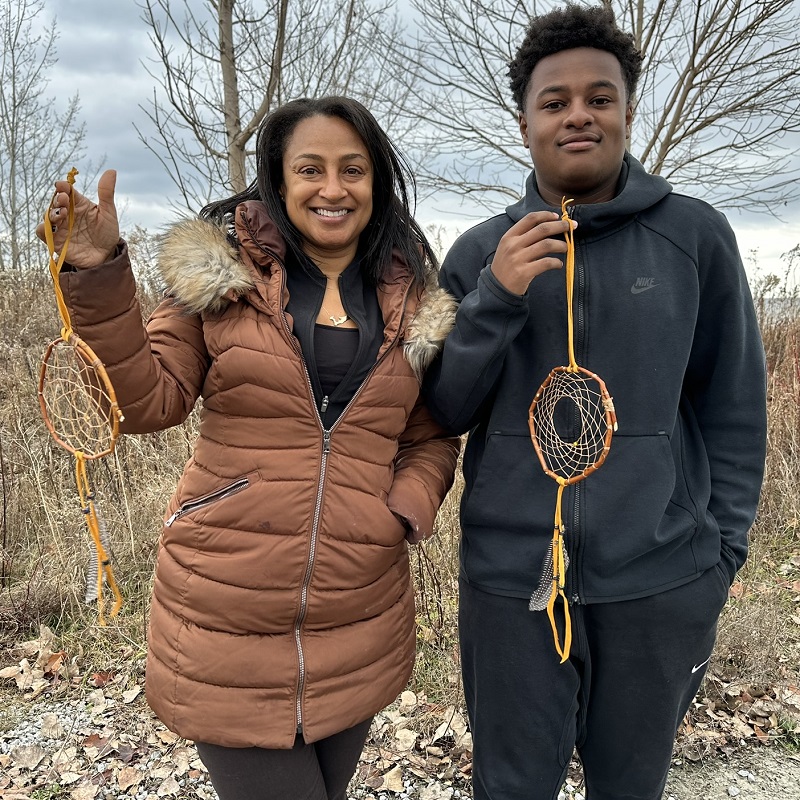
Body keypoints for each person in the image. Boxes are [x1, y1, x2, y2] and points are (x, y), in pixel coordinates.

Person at [39, 96, 459, 800]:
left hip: (358, 616)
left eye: (352, 169)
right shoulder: (219, 282)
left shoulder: (412, 300)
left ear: (376, 181)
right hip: (225, 615)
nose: (333, 188)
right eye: (311, 169)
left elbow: (429, 434)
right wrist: (99, 270)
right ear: (277, 179)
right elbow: (144, 401)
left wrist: (402, 508)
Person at [422, 5, 767, 799]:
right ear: (524, 124)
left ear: (626, 111)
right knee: (510, 788)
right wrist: (497, 299)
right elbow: (441, 410)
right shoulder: (479, 253)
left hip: (658, 583)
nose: (578, 113)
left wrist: (719, 561)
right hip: (513, 591)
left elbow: (735, 407)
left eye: (599, 97)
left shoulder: (695, 237)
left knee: (631, 786)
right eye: (554, 101)